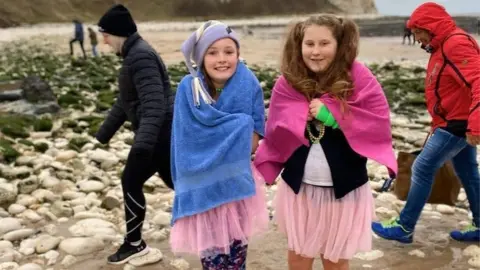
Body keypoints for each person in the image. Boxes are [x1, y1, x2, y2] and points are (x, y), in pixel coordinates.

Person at [253, 14, 398, 270]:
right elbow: (275, 130)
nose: (316, 52)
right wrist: (265, 164)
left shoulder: (359, 78)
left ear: (339, 45)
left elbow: (377, 122)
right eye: (309, 44)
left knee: (336, 260)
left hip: (345, 189)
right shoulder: (287, 82)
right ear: (299, 46)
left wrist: (336, 116)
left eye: (324, 44)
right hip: (300, 189)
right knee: (298, 256)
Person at [372, 2, 480, 244]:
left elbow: (478, 80)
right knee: (468, 172)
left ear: (430, 27)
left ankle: (404, 227)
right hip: (454, 119)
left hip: (458, 123)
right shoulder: (442, 46)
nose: (416, 37)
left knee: (421, 167)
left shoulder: (456, 44)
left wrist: (476, 125)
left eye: (418, 31)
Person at [169, 20, 269, 269]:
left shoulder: (248, 85)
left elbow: (253, 142)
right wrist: (238, 126)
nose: (222, 59)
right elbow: (185, 141)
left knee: (236, 259)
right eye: (212, 52)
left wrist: (235, 129)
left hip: (235, 187)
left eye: (229, 51)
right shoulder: (188, 90)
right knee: (212, 261)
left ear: (238, 54)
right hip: (203, 187)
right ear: (201, 57)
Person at [94, 4, 175, 264]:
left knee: (131, 180)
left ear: (118, 33)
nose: (103, 40)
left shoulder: (139, 57)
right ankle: (215, 227)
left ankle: (134, 244)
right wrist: (104, 133)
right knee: (179, 184)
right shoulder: (134, 55)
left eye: (105, 34)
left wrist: (143, 144)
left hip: (158, 135)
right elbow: (126, 101)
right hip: (159, 134)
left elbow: (154, 104)